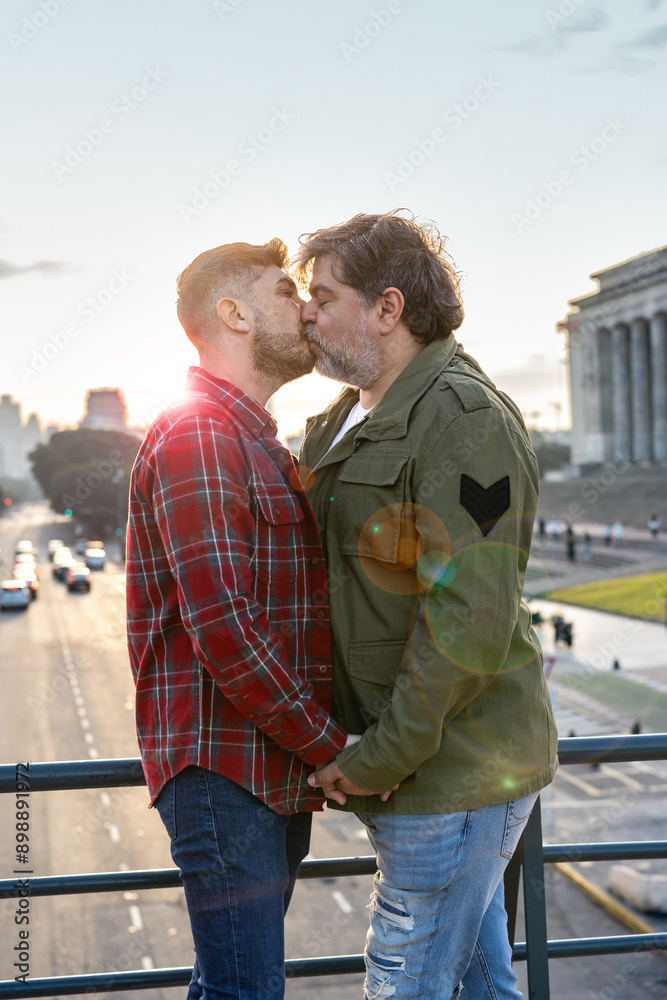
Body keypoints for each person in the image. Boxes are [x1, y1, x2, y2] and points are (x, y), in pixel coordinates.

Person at [296, 212, 559, 1000]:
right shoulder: (342, 417)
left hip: (452, 773)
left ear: (386, 308)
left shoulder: (463, 419)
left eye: (323, 295)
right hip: (410, 765)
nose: (307, 311)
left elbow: (467, 622)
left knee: (405, 982)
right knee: (478, 984)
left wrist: (377, 758)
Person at [125, 240, 362, 999]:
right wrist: (329, 746)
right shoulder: (200, 433)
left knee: (231, 986)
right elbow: (224, 624)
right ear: (232, 314)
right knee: (244, 992)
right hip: (226, 772)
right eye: (285, 289)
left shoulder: (251, 437)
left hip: (263, 766)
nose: (306, 305)